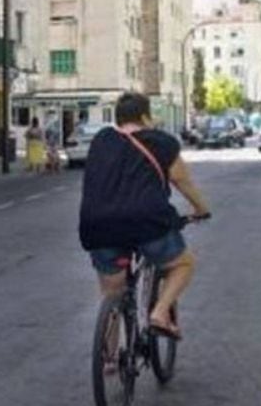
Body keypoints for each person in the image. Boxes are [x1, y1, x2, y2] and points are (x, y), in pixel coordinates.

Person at [79, 92, 211, 340]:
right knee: (184, 263)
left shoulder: (102, 140)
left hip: (97, 224)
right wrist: (201, 210)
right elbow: (182, 181)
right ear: (144, 116)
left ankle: (108, 356)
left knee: (111, 291)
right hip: (147, 222)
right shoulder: (161, 142)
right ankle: (160, 312)